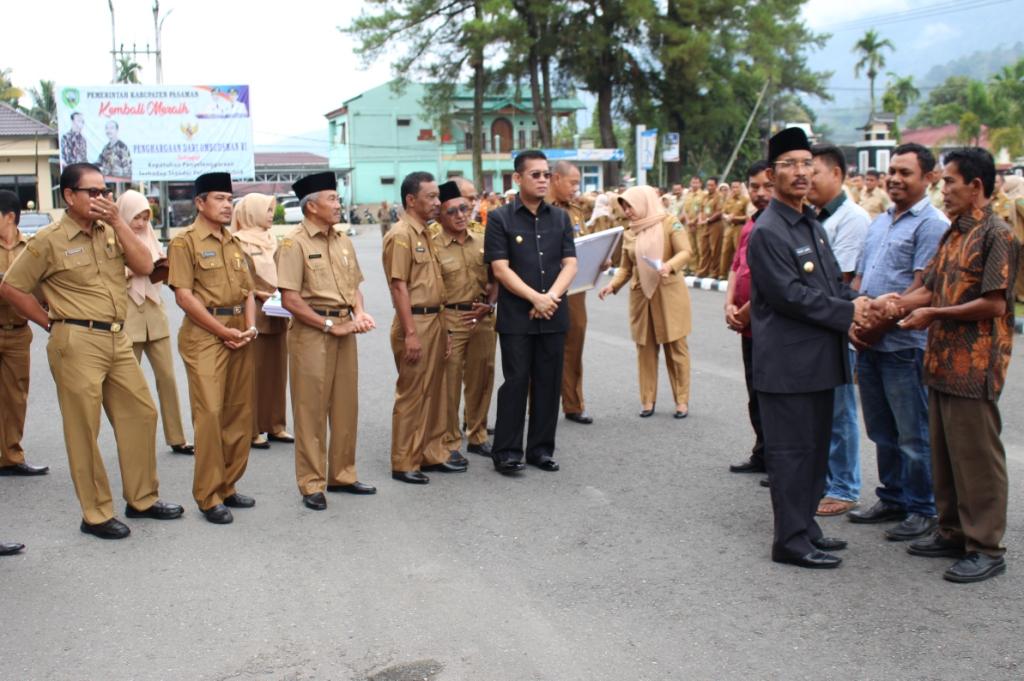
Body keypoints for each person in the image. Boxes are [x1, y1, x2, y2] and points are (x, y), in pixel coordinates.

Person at [0, 163, 183, 539]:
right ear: (69, 196)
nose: (101, 199)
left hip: (117, 337)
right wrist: (48, 322)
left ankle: (142, 499)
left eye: (105, 192)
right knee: (84, 429)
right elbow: (12, 287)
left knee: (142, 413)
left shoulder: (111, 232)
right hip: (77, 340)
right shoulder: (48, 240)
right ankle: (96, 513)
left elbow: (146, 265)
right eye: (93, 192)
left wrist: (118, 222)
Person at [747, 128, 878, 569]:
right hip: (789, 367)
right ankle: (790, 540)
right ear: (773, 173)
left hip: (818, 362)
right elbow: (789, 295)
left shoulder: (809, 223)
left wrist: (859, 304)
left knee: (815, 451)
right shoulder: (769, 230)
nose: (801, 173)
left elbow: (828, 286)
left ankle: (807, 526)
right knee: (791, 456)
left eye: (807, 164)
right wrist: (849, 314)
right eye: (790, 165)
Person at [898, 147, 1018, 584]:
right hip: (943, 361)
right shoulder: (953, 234)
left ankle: (985, 545)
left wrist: (935, 315)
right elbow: (929, 287)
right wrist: (888, 306)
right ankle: (951, 530)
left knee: (977, 457)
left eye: (949, 181)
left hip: (976, 363)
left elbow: (994, 302)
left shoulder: (997, 235)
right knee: (945, 451)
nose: (942, 189)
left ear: (976, 187)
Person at [847, 143, 948, 541]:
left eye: (906, 173)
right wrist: (856, 315)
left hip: (904, 345)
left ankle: (922, 508)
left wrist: (878, 321)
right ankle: (893, 497)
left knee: (913, 433)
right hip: (870, 342)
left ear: (929, 179)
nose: (895, 178)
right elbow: (860, 280)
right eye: (892, 170)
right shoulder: (881, 221)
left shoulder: (931, 225)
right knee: (881, 430)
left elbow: (924, 290)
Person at [278, 171, 377, 509]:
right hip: (311, 334)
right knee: (311, 411)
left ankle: (343, 475)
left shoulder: (343, 240)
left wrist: (359, 313)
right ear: (311, 206)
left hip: (344, 330)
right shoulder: (294, 244)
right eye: (331, 199)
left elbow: (355, 288)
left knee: (346, 406)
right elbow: (290, 299)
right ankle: (311, 484)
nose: (338, 204)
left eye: (337, 198)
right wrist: (326, 325)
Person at [168, 172, 258, 525]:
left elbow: (248, 291)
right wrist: (222, 330)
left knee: (238, 414)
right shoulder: (184, 242)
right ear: (200, 202)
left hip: (239, 331)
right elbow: (183, 295)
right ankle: (208, 496)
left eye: (229, 198)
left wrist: (249, 327)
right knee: (209, 415)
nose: (226, 205)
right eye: (218, 198)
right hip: (205, 336)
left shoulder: (234, 243)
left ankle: (228, 484)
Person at [485, 150, 577, 475]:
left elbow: (570, 263)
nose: (542, 179)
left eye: (546, 174)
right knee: (516, 381)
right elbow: (500, 268)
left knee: (549, 383)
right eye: (535, 174)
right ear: (517, 179)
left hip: (553, 312)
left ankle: (541, 449)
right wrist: (533, 298)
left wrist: (549, 296)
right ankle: (508, 451)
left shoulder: (561, 218)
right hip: (517, 316)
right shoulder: (500, 219)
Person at [383, 171, 466, 484]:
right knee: (412, 394)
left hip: (435, 319)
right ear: (410, 200)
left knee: (434, 391)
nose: (438, 202)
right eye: (431, 196)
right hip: (414, 321)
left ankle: (431, 453)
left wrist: (443, 329)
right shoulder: (401, 235)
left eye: (437, 196)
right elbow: (399, 287)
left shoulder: (425, 233)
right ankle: (404, 462)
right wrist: (411, 334)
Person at [806, 144, 870, 518]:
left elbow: (839, 280)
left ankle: (844, 487)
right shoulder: (818, 217)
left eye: (813, 171)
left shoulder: (852, 218)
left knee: (842, 410)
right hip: (823, 325)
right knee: (826, 410)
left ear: (836, 174)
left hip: (840, 325)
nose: (807, 179)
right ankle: (829, 480)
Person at [598, 186, 692, 417]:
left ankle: (681, 401)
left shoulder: (670, 223)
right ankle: (647, 400)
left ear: (644, 202)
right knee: (645, 350)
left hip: (668, 294)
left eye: (630, 205)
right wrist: (613, 285)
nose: (627, 211)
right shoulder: (630, 232)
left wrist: (669, 265)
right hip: (642, 298)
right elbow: (625, 267)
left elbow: (686, 252)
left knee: (676, 348)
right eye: (624, 207)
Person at [117, 190, 194, 457]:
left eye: (144, 216)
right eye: (136, 217)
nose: (140, 223)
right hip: (128, 316)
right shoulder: (113, 239)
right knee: (130, 384)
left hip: (155, 313)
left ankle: (177, 437)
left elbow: (157, 267)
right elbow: (110, 275)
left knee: (168, 378)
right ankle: (134, 438)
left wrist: (160, 266)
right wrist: (134, 269)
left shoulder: (150, 235)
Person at [432, 181, 498, 460]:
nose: (461, 215)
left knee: (482, 377)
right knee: (449, 381)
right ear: (439, 216)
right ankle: (449, 440)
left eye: (464, 208)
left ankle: (477, 433)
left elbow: (497, 276)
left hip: (482, 317)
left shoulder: (483, 238)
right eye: (452, 211)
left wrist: (490, 303)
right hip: (450, 318)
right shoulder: (431, 244)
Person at [231, 193, 293, 450]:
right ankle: (253, 428)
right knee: (253, 373)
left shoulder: (273, 240)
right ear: (251, 212)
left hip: (277, 312)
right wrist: (258, 292)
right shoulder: (237, 241)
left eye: (271, 210)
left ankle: (276, 425)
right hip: (254, 311)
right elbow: (240, 278)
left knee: (276, 372)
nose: (271, 214)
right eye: (266, 210)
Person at [726, 161, 773, 476]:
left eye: (766, 186)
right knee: (755, 393)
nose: (760, 193)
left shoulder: (779, 225)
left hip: (769, 327)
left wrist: (744, 311)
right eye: (754, 186)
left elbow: (773, 281)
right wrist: (729, 302)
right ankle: (762, 453)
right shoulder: (751, 223)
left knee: (772, 398)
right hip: (747, 327)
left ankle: (778, 462)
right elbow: (736, 266)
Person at [0, 190, 49, 477]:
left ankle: (10, 455)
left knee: (15, 396)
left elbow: (42, 288)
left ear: (9, 217)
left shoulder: (31, 249)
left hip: (18, 332)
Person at [550, 161, 594, 425]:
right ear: (556, 179)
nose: (576, 188)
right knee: (544, 348)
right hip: (546, 286)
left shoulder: (575, 211)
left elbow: (583, 245)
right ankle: (538, 406)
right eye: (572, 182)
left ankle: (574, 404)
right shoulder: (543, 210)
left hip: (575, 290)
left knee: (574, 344)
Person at [696, 177, 726, 279]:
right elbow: (701, 209)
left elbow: (719, 212)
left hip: (715, 225)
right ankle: (703, 271)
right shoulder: (705, 196)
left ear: (716, 186)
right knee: (704, 249)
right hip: (704, 226)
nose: (709, 187)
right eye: (708, 185)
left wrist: (708, 220)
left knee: (715, 249)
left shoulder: (719, 197)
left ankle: (715, 272)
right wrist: (700, 218)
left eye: (712, 185)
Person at [720, 181, 749, 278]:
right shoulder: (728, 199)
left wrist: (735, 218)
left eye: (737, 187)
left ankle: (739, 273)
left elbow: (747, 216)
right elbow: (723, 212)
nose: (734, 189)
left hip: (739, 227)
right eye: (733, 187)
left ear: (740, 188)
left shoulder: (745, 200)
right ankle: (722, 274)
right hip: (729, 227)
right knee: (725, 251)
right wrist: (726, 216)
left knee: (738, 251)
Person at [681, 176, 704, 274]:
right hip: (688, 225)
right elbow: (684, 210)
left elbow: (702, 210)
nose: (694, 184)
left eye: (696, 183)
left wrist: (694, 221)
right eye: (693, 182)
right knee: (689, 246)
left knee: (699, 247)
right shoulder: (688, 195)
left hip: (698, 225)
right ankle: (689, 267)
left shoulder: (703, 195)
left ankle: (698, 268)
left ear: (700, 184)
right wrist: (688, 221)